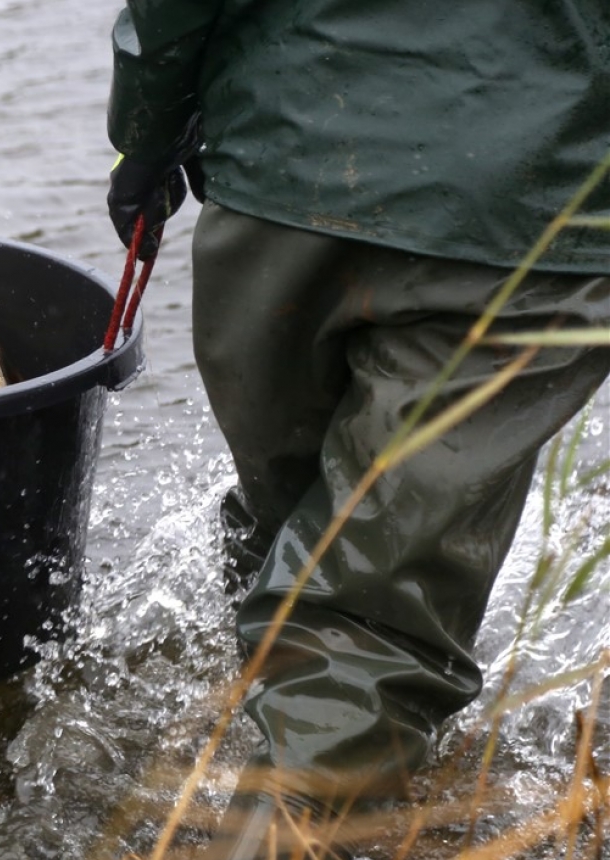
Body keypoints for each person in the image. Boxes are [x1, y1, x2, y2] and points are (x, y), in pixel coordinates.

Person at [105, 1, 610, 856]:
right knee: (362, 615)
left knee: (296, 523)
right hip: (530, 207)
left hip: (286, 172)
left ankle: (235, 770)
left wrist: (145, 130)